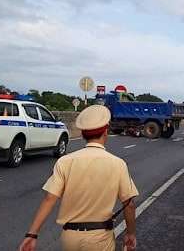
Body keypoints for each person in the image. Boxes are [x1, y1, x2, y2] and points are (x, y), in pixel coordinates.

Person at [19, 105, 139, 251]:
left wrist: (32, 234)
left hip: (70, 237)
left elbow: (49, 199)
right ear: (106, 132)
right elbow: (129, 204)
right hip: (100, 237)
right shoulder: (118, 164)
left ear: (82, 134)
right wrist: (130, 233)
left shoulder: (65, 161)